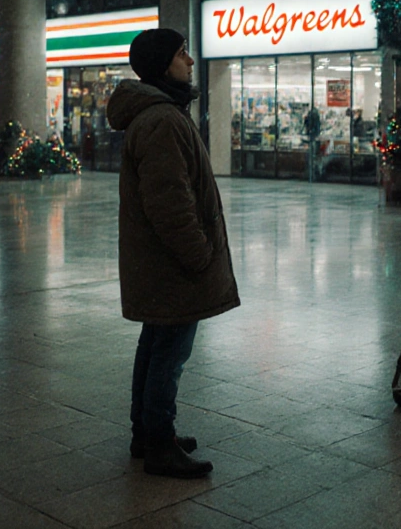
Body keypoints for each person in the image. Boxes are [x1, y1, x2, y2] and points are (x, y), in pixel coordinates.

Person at [106, 28, 240, 479]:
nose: (189, 59)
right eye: (182, 53)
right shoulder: (161, 119)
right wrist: (199, 256)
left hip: (160, 263)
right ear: (164, 64)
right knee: (169, 353)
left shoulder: (161, 114)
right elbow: (170, 203)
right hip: (172, 266)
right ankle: (159, 444)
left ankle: (147, 433)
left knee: (156, 344)